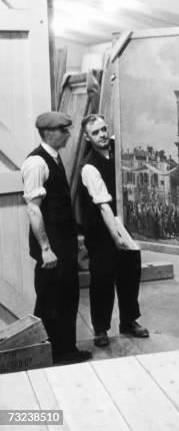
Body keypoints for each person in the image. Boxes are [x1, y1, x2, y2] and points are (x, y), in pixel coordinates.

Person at [22, 112, 92, 364]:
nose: (68, 134)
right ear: (48, 133)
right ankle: (47, 354)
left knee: (66, 296)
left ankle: (65, 350)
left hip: (63, 243)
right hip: (52, 246)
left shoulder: (54, 157)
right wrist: (45, 248)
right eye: (63, 130)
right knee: (51, 299)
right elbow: (33, 208)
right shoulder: (36, 163)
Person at [79, 114, 149, 348]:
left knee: (130, 275)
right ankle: (100, 329)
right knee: (103, 280)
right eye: (95, 133)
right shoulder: (89, 167)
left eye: (103, 130)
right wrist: (116, 237)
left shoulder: (118, 151)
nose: (101, 135)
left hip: (126, 228)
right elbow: (104, 207)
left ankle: (129, 321)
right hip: (101, 232)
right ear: (87, 138)